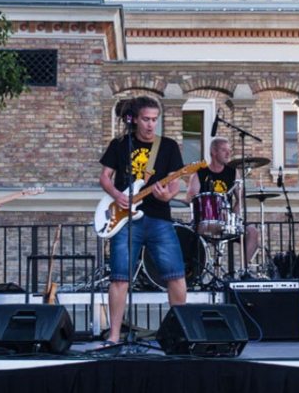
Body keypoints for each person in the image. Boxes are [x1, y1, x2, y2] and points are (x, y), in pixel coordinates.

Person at [99, 96, 187, 344]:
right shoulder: (120, 144)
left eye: (154, 120)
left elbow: (176, 182)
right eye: (146, 119)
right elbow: (105, 177)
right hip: (125, 220)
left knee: (175, 274)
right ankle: (114, 336)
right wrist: (117, 195)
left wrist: (167, 195)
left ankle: (180, 333)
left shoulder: (167, 146)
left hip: (159, 218)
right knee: (119, 277)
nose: (150, 124)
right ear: (135, 119)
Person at [185, 137, 259, 265]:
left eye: (229, 150)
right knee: (196, 232)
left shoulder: (232, 172)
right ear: (214, 152)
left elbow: (240, 197)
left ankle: (243, 270)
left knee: (252, 232)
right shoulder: (200, 173)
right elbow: (190, 198)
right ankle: (199, 268)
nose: (228, 153)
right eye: (224, 150)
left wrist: (234, 215)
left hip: (227, 221)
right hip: (205, 221)